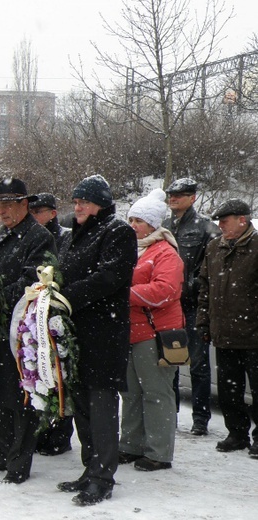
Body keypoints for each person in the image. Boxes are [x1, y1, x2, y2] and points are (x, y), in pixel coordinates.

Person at [56, 175, 137, 505]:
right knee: (82, 410)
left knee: (102, 409)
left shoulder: (118, 232)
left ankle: (103, 476)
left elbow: (109, 278)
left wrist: (64, 296)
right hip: (76, 335)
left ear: (101, 205)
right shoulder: (75, 234)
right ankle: (90, 469)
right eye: (75, 202)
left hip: (104, 334)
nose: (77, 207)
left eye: (84, 202)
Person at [0, 178, 57, 484]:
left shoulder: (39, 237)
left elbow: (31, 282)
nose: (2, 210)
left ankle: (19, 459)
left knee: (21, 397)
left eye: (9, 204)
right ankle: (3, 450)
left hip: (22, 330)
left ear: (25, 204)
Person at [119, 189, 184, 471]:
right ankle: (131, 445)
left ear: (154, 224)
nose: (133, 225)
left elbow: (165, 290)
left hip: (160, 335)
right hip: (132, 332)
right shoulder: (132, 249)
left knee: (158, 393)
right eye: (131, 219)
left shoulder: (166, 253)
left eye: (140, 221)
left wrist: (123, 293)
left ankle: (159, 452)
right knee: (131, 392)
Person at [197, 199, 258, 458]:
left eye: (225, 220)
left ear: (242, 220)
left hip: (254, 335)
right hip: (223, 333)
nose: (220, 225)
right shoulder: (214, 248)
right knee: (228, 390)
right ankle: (237, 433)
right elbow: (204, 287)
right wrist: (203, 322)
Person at [163, 178, 219, 436]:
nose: (173, 199)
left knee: (198, 364)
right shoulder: (164, 227)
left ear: (192, 197)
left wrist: (193, 285)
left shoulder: (206, 228)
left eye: (179, 195)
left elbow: (215, 268)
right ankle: (169, 414)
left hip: (193, 306)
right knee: (169, 363)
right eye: (171, 195)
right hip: (167, 306)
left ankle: (200, 419)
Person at [28, 192, 74, 456]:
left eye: (39, 212)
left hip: (57, 310)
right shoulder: (32, 238)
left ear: (52, 214)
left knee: (59, 373)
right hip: (35, 312)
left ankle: (60, 434)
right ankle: (41, 431)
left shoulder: (63, 238)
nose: (34, 217)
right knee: (38, 373)